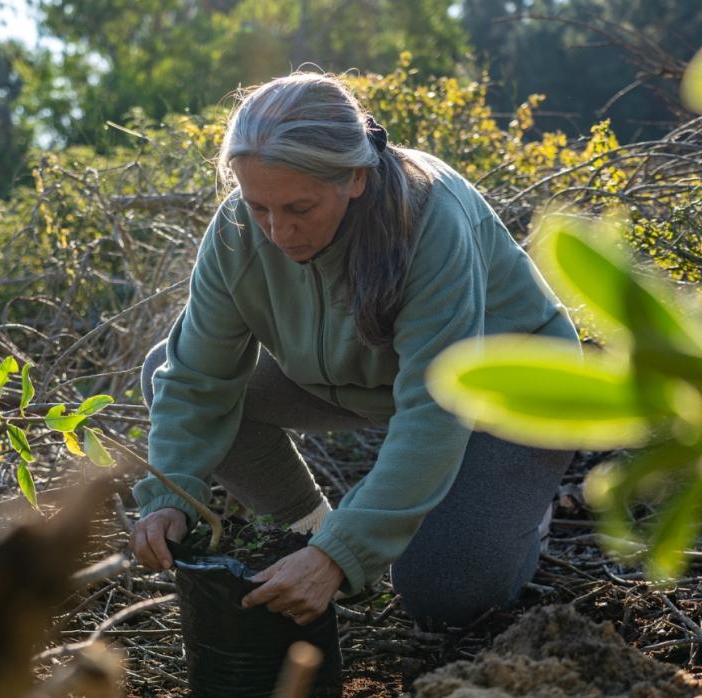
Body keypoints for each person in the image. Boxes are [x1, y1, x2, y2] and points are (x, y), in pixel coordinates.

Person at [128, 71, 579, 629]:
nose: (278, 232)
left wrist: (345, 554)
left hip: (511, 390)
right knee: (163, 369)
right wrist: (170, 495)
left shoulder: (429, 220)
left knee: (444, 596)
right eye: (259, 207)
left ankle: (521, 521)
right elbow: (196, 380)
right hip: (375, 383)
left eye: (299, 208)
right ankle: (305, 532)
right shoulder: (238, 232)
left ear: (356, 179)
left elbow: (434, 411)